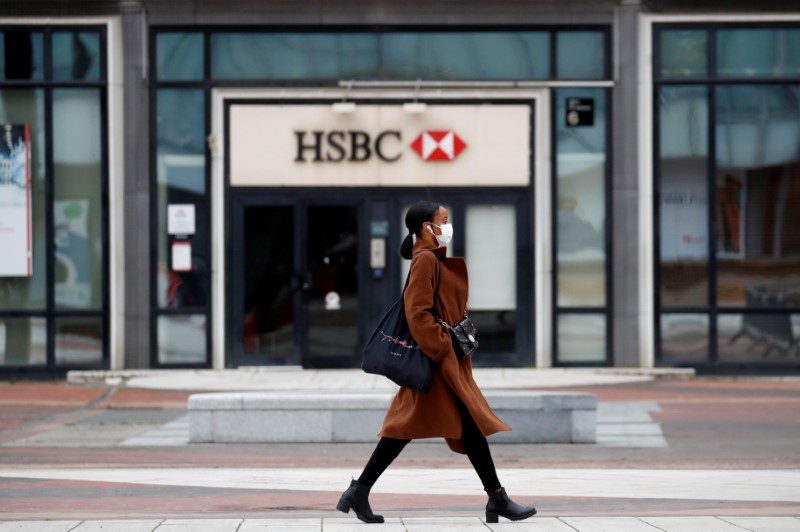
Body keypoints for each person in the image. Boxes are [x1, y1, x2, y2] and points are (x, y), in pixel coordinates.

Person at [337, 200, 536, 524]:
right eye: (443, 220)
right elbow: (418, 313)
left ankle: (360, 490)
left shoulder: (431, 259)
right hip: (437, 362)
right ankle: (497, 498)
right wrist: (443, 348)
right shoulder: (426, 260)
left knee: (420, 428)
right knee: (452, 426)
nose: (448, 226)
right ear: (426, 227)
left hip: (442, 361)